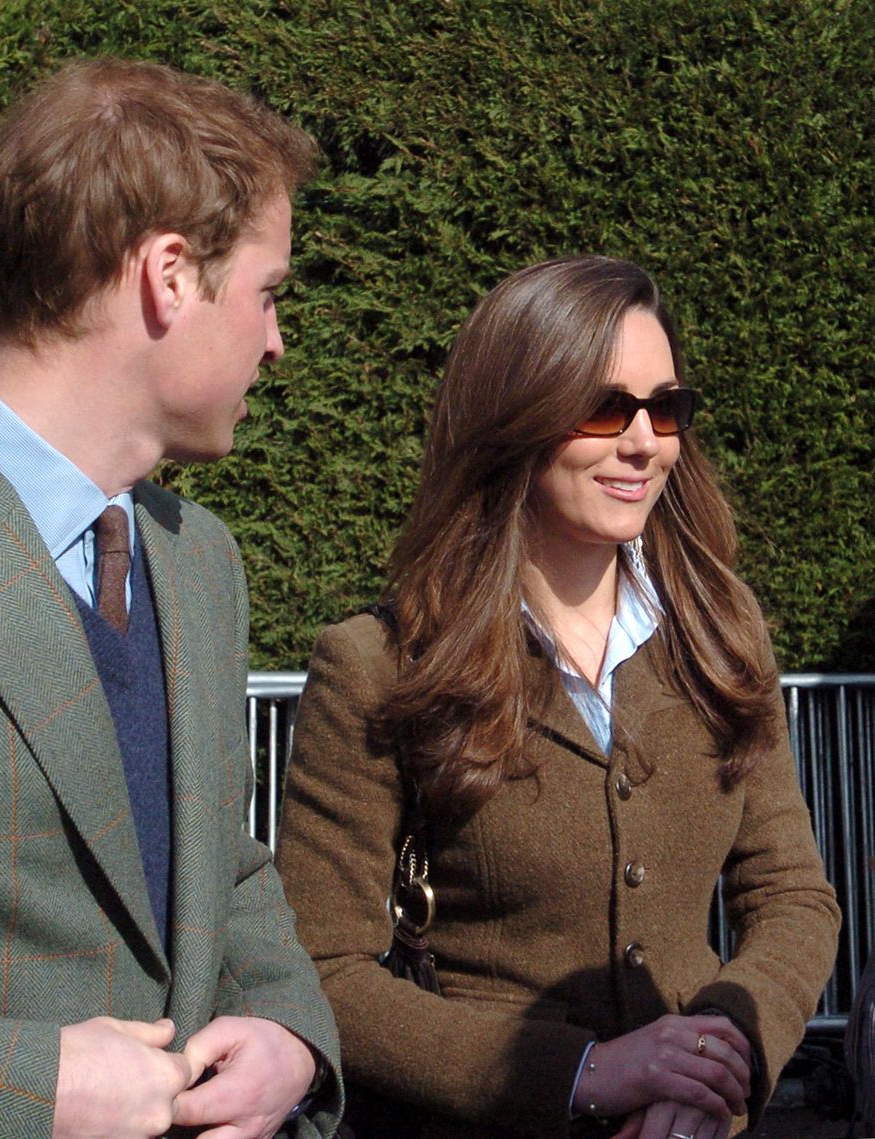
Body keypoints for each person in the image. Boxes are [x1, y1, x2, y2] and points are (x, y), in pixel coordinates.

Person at [275, 256, 839, 1139]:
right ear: (514, 418)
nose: (644, 441)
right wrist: (585, 1073)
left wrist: (727, 1046)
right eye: (604, 407)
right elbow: (321, 969)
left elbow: (795, 895)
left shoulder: (722, 632)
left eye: (667, 407)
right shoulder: (378, 665)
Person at [0, 57, 342, 1139]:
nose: (278, 340)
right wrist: (17, 1088)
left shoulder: (200, 563)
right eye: (268, 290)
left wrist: (291, 1034)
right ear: (170, 274)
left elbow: (218, 867)